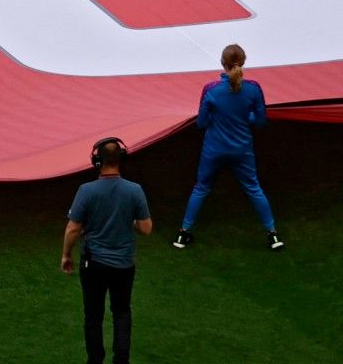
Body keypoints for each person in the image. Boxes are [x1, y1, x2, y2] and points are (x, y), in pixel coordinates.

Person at [173, 44, 283, 250]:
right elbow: (259, 121)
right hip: (242, 150)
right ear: (243, 62)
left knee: (201, 188)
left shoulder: (211, 90)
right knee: (253, 188)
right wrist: (245, 116)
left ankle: (182, 234)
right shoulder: (254, 88)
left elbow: (201, 123)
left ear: (222, 63)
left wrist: (218, 117)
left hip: (213, 150)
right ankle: (273, 235)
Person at [62, 138, 152, 364]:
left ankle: (95, 360)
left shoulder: (86, 191)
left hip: (94, 265)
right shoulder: (135, 190)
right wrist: (129, 222)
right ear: (121, 159)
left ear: (97, 161)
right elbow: (146, 228)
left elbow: (73, 229)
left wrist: (66, 255)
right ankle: (121, 360)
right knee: (122, 312)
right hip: (124, 264)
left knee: (93, 315)